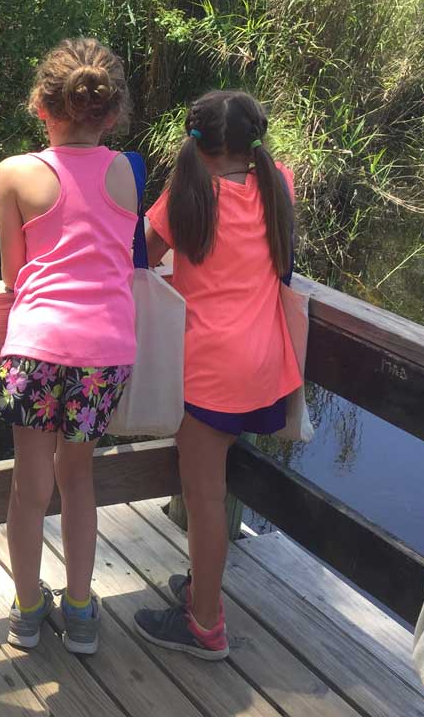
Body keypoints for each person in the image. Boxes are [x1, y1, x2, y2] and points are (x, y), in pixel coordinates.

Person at [0, 37, 138, 655]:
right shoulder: (126, 170)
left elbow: (13, 274)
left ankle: (26, 613)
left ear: (41, 106)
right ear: (110, 113)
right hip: (105, 351)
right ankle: (79, 613)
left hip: (36, 346)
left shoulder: (15, 173)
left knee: (29, 486)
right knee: (79, 481)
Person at [133, 90, 299, 660]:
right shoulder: (278, 184)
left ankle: (205, 624)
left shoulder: (186, 196)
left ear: (196, 144)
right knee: (214, 494)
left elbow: (141, 255)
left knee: (204, 499)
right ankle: (201, 588)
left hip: (208, 373)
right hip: (266, 370)